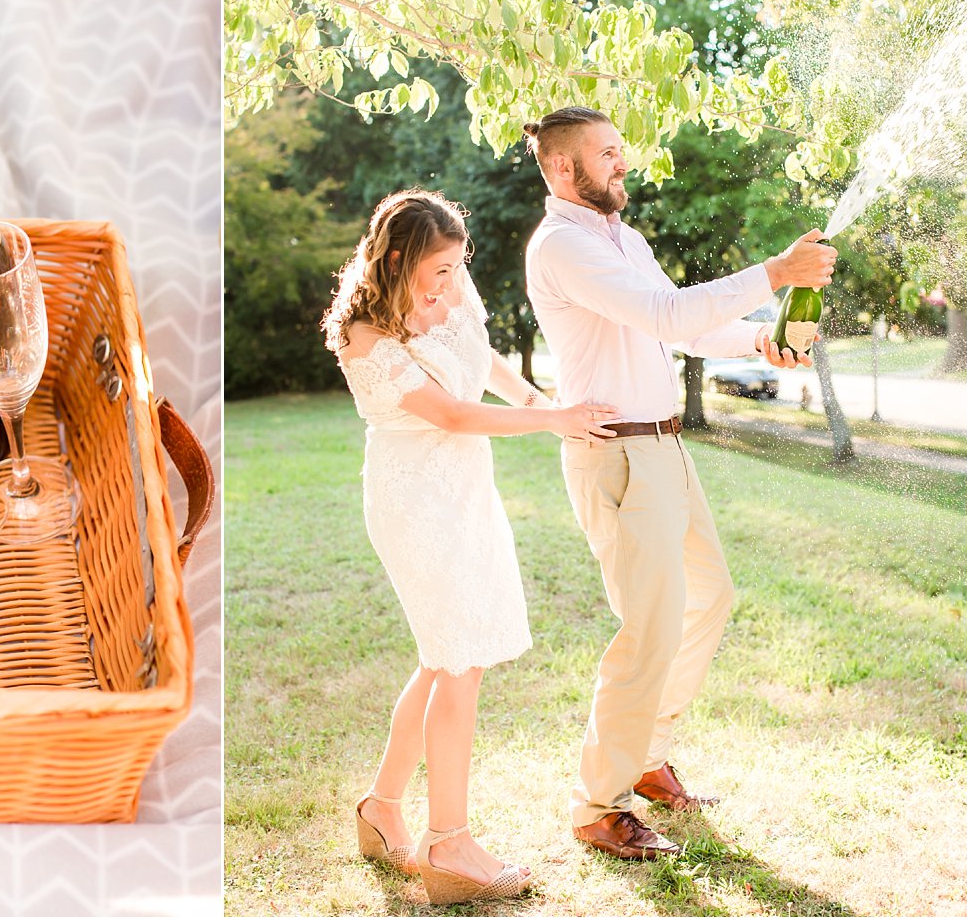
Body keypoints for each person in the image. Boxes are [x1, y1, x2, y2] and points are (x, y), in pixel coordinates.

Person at [522, 106, 836, 861]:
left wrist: (762, 337)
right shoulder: (561, 245)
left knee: (711, 593)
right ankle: (596, 804)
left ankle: (648, 753)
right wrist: (774, 273)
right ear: (564, 168)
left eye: (621, 151)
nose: (620, 164)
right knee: (648, 630)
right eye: (606, 154)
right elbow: (665, 310)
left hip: (664, 448)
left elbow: (682, 328)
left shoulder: (621, 238)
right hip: (620, 457)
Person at [323, 189, 620, 904]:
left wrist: (534, 399)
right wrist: (555, 419)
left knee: (447, 655)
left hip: (465, 491)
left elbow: (480, 360)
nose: (452, 282)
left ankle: (382, 807)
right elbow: (452, 414)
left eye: (459, 266)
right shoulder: (365, 332)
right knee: (458, 660)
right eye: (439, 270)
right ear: (395, 259)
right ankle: (449, 844)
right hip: (412, 496)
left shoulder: (449, 280)